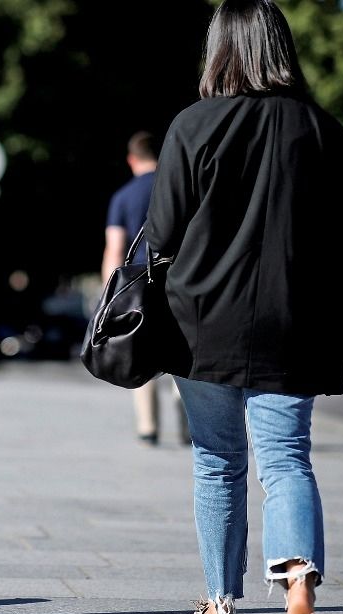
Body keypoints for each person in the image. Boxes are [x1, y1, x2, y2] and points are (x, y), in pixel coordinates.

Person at [143, 0, 343, 614]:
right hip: (292, 323)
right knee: (287, 459)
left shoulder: (193, 125)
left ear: (218, 50)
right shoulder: (322, 130)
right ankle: (298, 593)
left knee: (217, 460)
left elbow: (164, 232)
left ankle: (221, 607)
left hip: (200, 323)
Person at [103, 131, 190, 447]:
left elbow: (115, 248)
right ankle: (189, 425)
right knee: (181, 352)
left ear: (131, 159)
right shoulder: (179, 189)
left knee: (141, 350)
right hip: (179, 279)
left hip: (140, 285)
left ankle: (148, 427)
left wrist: (110, 293)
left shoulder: (123, 196)